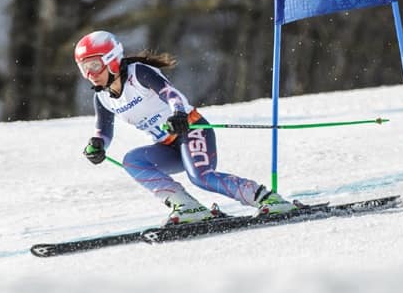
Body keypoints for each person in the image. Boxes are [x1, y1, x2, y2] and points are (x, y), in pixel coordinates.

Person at [74, 30, 297, 225]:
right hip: (168, 146)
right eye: (84, 68)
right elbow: (103, 131)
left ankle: (267, 199)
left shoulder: (138, 73)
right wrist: (97, 144)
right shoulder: (103, 98)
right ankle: (188, 208)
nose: (90, 74)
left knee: (201, 177)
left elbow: (171, 94)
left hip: (191, 130)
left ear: (112, 59)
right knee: (133, 161)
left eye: (94, 64)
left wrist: (178, 113)